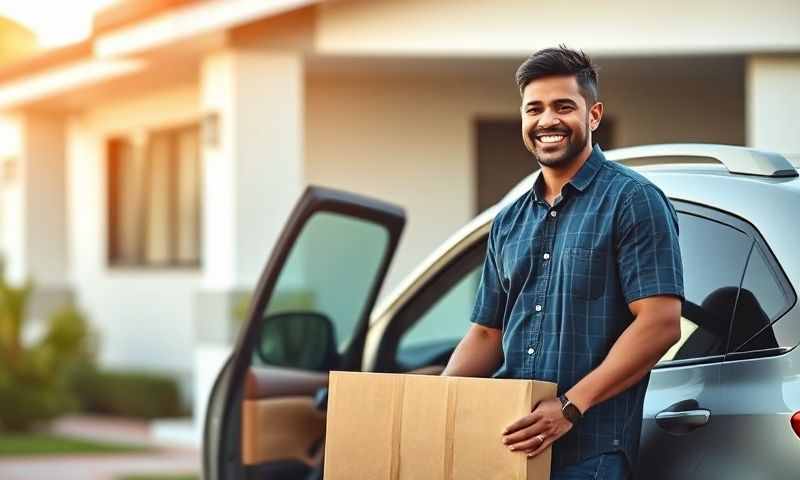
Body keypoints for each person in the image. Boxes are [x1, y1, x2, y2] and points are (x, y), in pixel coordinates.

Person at [442, 46, 684, 480]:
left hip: (589, 453)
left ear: (593, 115)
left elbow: (660, 323)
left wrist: (569, 407)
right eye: (533, 108)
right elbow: (485, 333)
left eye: (563, 107)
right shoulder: (509, 220)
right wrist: (436, 404)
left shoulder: (632, 201)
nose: (546, 120)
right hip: (509, 448)